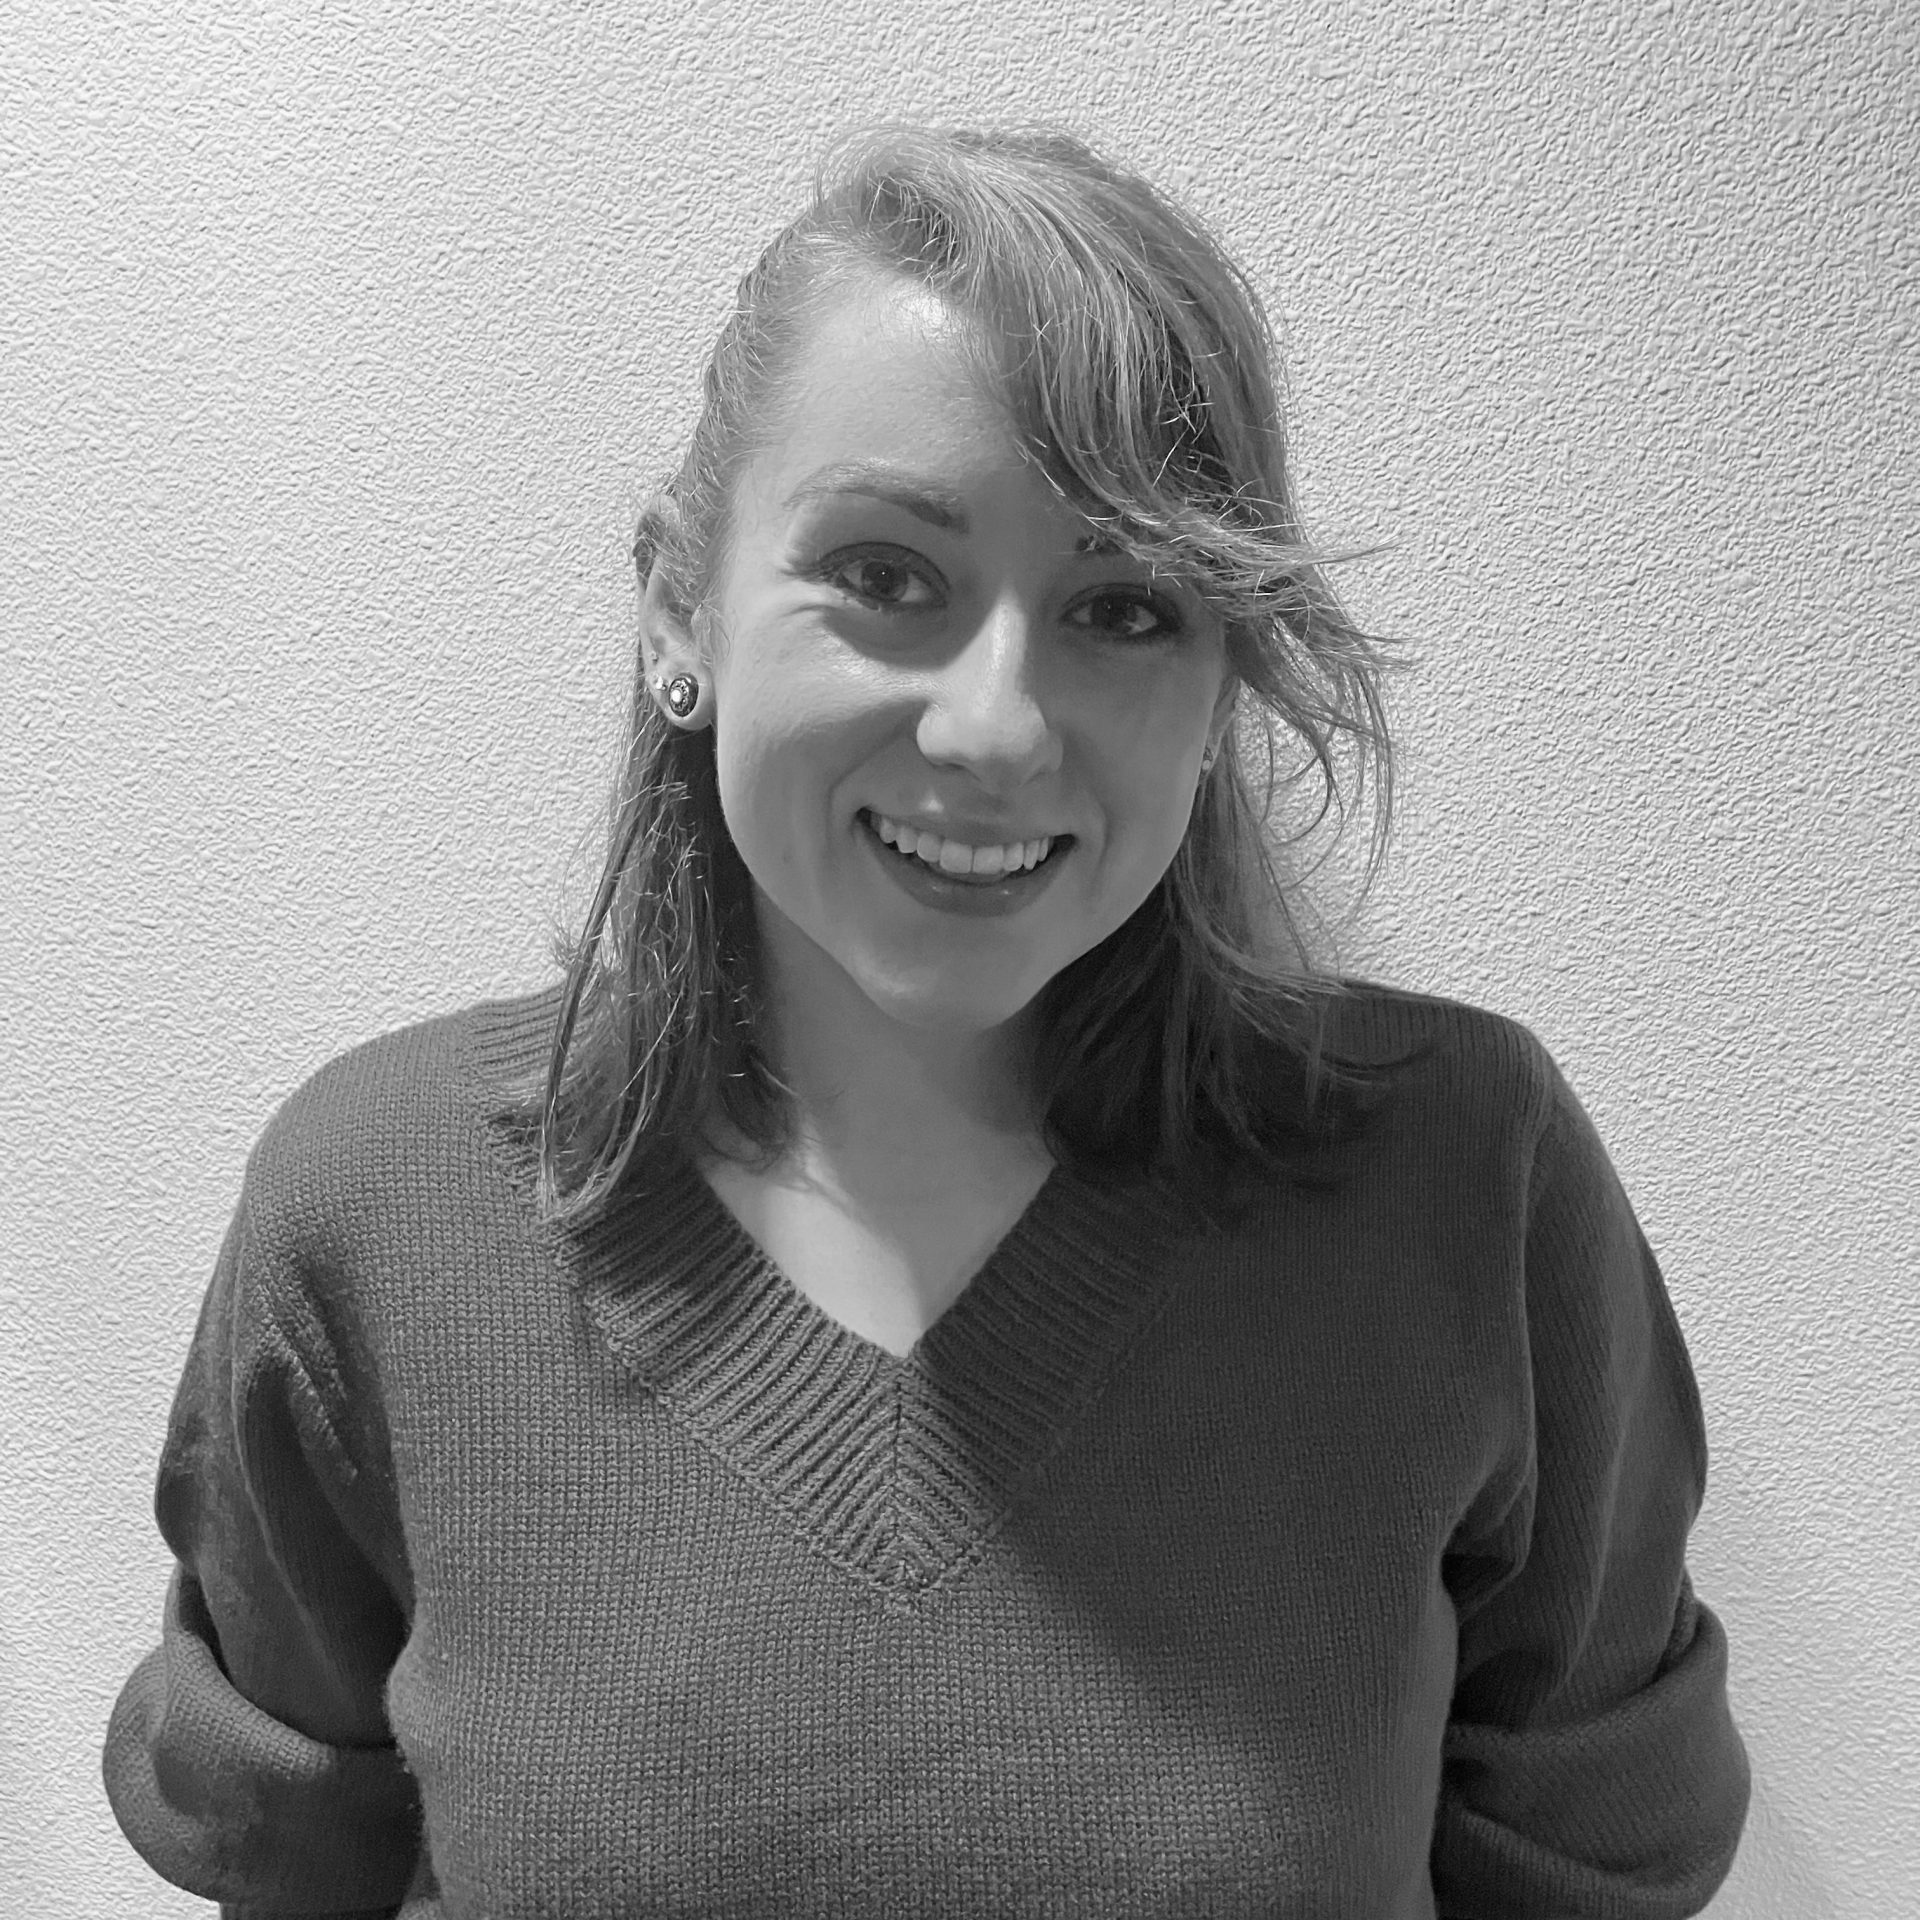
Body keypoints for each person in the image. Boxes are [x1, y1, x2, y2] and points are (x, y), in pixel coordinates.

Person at [103, 124, 1751, 1917]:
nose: (996, 727)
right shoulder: (376, 1211)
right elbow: (289, 1861)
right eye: (888, 576)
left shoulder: (1467, 1182)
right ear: (680, 612)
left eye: (1125, 606)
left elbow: (1592, 1862)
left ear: (1223, 683)